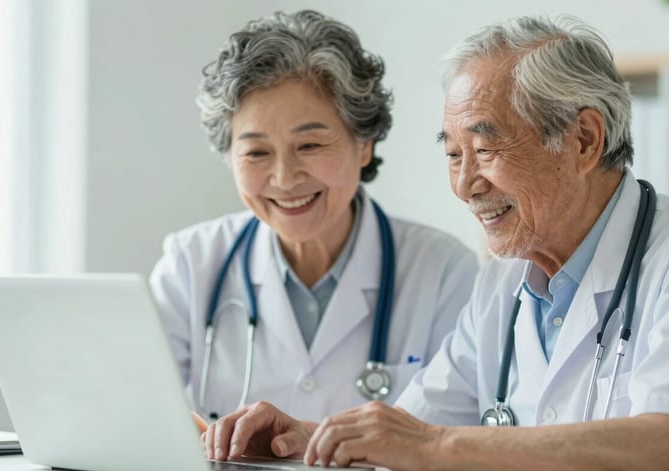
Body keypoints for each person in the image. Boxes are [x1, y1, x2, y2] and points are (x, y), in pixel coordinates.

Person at [200, 15, 669, 471]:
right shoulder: (503, 283)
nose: (464, 185)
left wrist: (437, 447)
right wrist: (302, 437)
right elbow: (408, 431)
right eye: (453, 155)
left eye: (484, 149)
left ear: (584, 140)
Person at [148, 9, 478, 426]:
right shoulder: (190, 266)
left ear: (364, 145)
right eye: (256, 152)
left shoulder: (444, 272)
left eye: (310, 145)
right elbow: (138, 417)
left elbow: (455, 447)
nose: (285, 178)